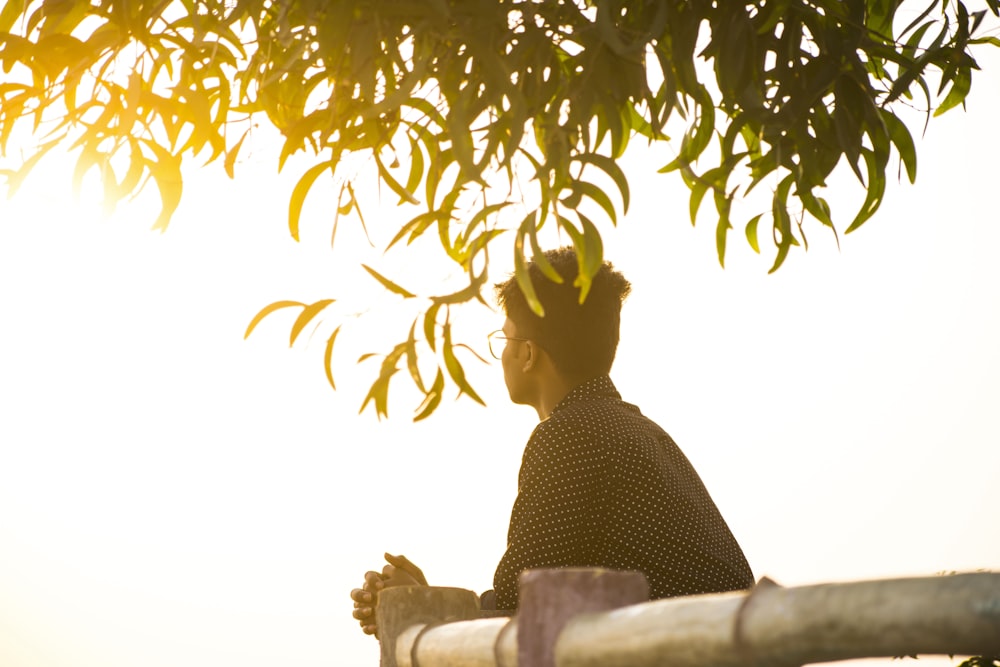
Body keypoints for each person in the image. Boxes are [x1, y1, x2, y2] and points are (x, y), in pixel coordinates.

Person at [350, 246, 754, 636]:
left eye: (505, 339)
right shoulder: (638, 430)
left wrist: (425, 607)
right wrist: (430, 601)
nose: (503, 355)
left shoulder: (568, 436)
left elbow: (523, 604)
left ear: (527, 354)